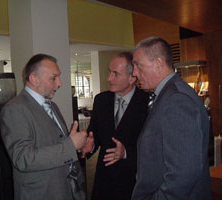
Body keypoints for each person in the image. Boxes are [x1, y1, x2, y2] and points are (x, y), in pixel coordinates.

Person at [131, 37, 212, 200]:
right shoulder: (168, 94)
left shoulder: (176, 100)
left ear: (159, 63)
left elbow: (184, 172)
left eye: (138, 65)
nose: (134, 72)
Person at [0, 54, 87, 200]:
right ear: (34, 79)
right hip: (42, 193)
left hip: (69, 189)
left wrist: (79, 147)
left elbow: (56, 145)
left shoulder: (53, 106)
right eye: (53, 78)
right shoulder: (14, 109)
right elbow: (23, 158)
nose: (59, 83)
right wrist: (70, 146)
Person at [82, 52, 149, 200]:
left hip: (133, 182)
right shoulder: (101, 100)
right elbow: (95, 134)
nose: (109, 78)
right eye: (109, 72)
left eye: (115, 74)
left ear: (132, 78)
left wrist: (126, 153)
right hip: (104, 182)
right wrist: (89, 145)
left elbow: (154, 148)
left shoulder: (148, 104)